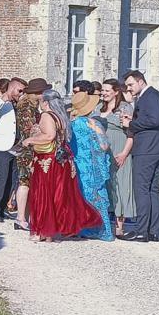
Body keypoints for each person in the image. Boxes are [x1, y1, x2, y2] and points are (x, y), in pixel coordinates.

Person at [21, 88, 101, 242]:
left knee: (43, 195)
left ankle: (43, 231)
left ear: (45, 102)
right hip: (62, 161)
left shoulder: (46, 115)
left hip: (47, 160)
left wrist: (30, 140)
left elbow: (49, 136)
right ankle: (50, 231)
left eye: (41, 101)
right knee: (57, 195)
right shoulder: (61, 116)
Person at [121, 70, 159, 243]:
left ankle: (142, 231)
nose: (129, 88)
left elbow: (153, 120)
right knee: (152, 189)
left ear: (141, 81)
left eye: (131, 85)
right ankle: (152, 231)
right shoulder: (151, 96)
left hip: (147, 149)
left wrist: (130, 123)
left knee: (142, 189)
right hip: (154, 148)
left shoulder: (150, 96)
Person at [69, 90, 114, 240]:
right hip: (92, 165)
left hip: (77, 164)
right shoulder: (93, 123)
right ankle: (103, 230)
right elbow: (104, 146)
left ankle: (83, 227)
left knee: (81, 195)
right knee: (98, 195)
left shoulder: (71, 125)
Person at [98, 78, 135, 235]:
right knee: (105, 184)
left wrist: (125, 153)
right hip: (101, 150)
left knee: (121, 184)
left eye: (107, 90)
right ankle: (104, 221)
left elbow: (131, 133)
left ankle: (120, 226)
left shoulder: (124, 108)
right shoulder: (99, 107)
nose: (103, 93)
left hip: (119, 148)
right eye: (103, 90)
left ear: (116, 91)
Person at [0, 78, 24, 222]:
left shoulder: (18, 104)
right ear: (12, 88)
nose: (21, 94)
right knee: (1, 178)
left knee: (12, 180)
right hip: (2, 145)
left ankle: (3, 208)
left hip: (15, 146)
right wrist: (4, 100)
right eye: (19, 91)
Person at [10, 79, 47, 231]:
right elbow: (29, 130)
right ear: (37, 93)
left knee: (27, 183)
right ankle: (20, 218)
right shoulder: (27, 107)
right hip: (27, 149)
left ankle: (25, 217)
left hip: (29, 147)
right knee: (24, 182)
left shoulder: (29, 106)